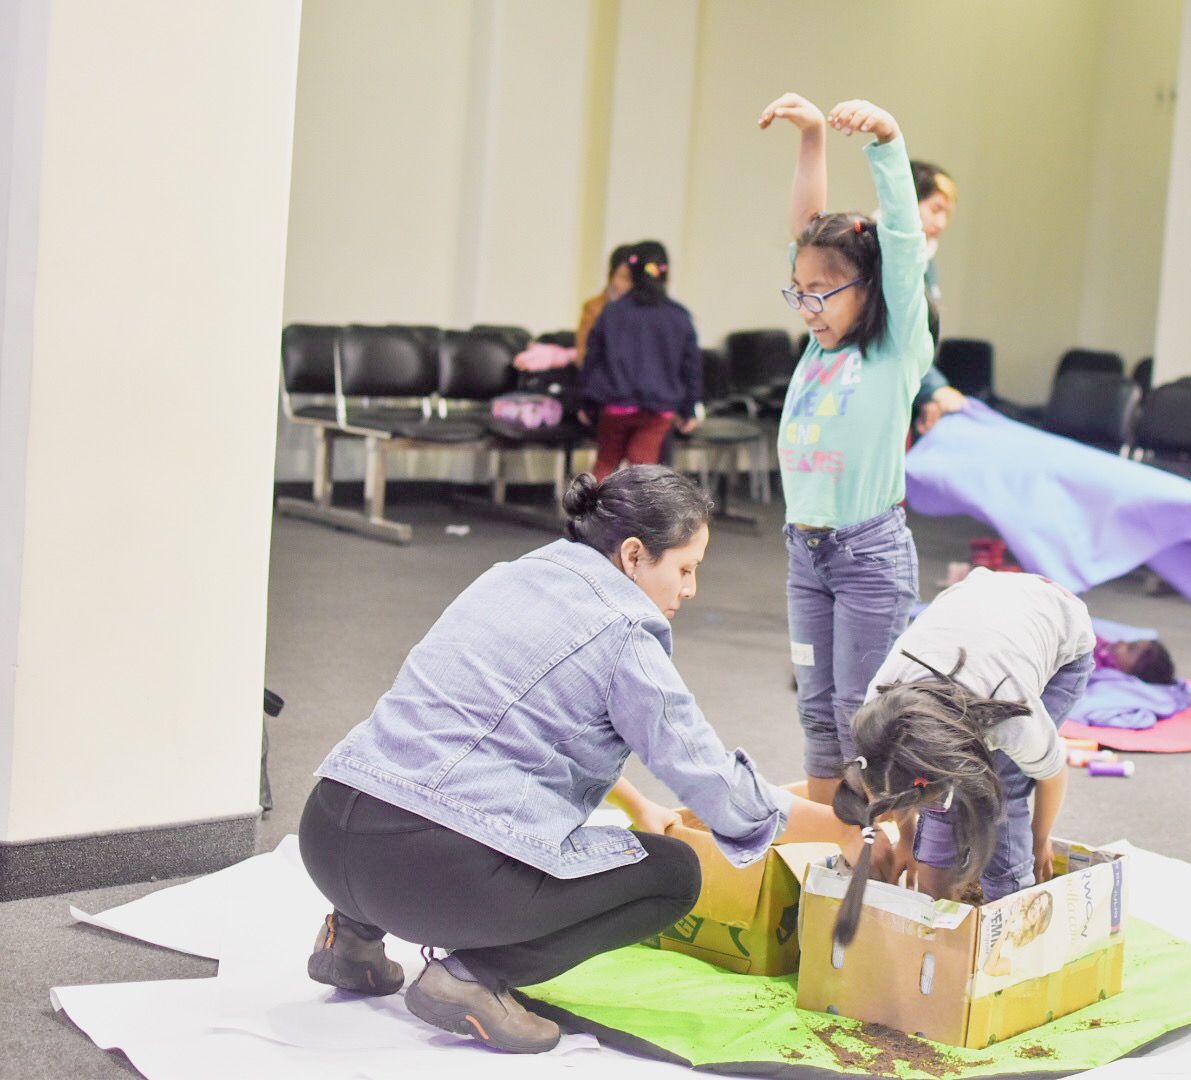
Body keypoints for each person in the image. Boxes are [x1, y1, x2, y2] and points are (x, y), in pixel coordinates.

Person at [298, 467, 877, 1054]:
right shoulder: (624, 634)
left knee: (428, 788)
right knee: (674, 875)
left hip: (328, 833)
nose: (691, 588)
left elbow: (524, 727)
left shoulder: (511, 576)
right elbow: (717, 788)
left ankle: (350, 941)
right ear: (634, 555)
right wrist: (841, 829)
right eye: (685, 568)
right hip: (428, 873)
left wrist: (638, 803)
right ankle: (473, 978)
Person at [758, 94, 937, 807]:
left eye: (823, 293)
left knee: (862, 717)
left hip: (868, 557)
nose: (807, 307)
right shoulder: (818, 345)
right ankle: (825, 844)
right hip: (806, 553)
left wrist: (887, 139)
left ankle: (881, 843)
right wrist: (810, 137)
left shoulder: (896, 349)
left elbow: (903, 244)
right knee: (815, 712)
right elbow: (808, 228)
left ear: (870, 288)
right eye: (798, 292)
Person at [827, 568, 1097, 945]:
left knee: (1004, 790)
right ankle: (939, 918)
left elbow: (1053, 773)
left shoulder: (1013, 720)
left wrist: (1040, 841)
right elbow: (895, 783)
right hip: (978, 603)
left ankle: (1010, 902)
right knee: (941, 808)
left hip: (1057, 619)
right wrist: (907, 840)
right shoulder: (879, 713)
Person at [579, 241, 702, 480]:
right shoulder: (679, 317)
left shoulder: (611, 312)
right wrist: (689, 409)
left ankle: (592, 505)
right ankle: (640, 506)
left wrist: (586, 402)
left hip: (615, 405)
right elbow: (691, 368)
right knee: (643, 471)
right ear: (667, 274)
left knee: (606, 463)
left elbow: (593, 361)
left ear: (631, 273)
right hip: (658, 410)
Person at [910, 160, 967, 436]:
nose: (942, 223)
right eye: (935, 210)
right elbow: (898, 338)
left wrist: (927, 396)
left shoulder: (927, 261)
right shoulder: (878, 253)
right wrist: (935, 388)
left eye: (947, 213)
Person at [574, 242, 635, 367]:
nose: (630, 285)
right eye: (625, 278)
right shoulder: (594, 308)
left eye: (634, 280)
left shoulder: (642, 311)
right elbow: (583, 357)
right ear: (612, 276)